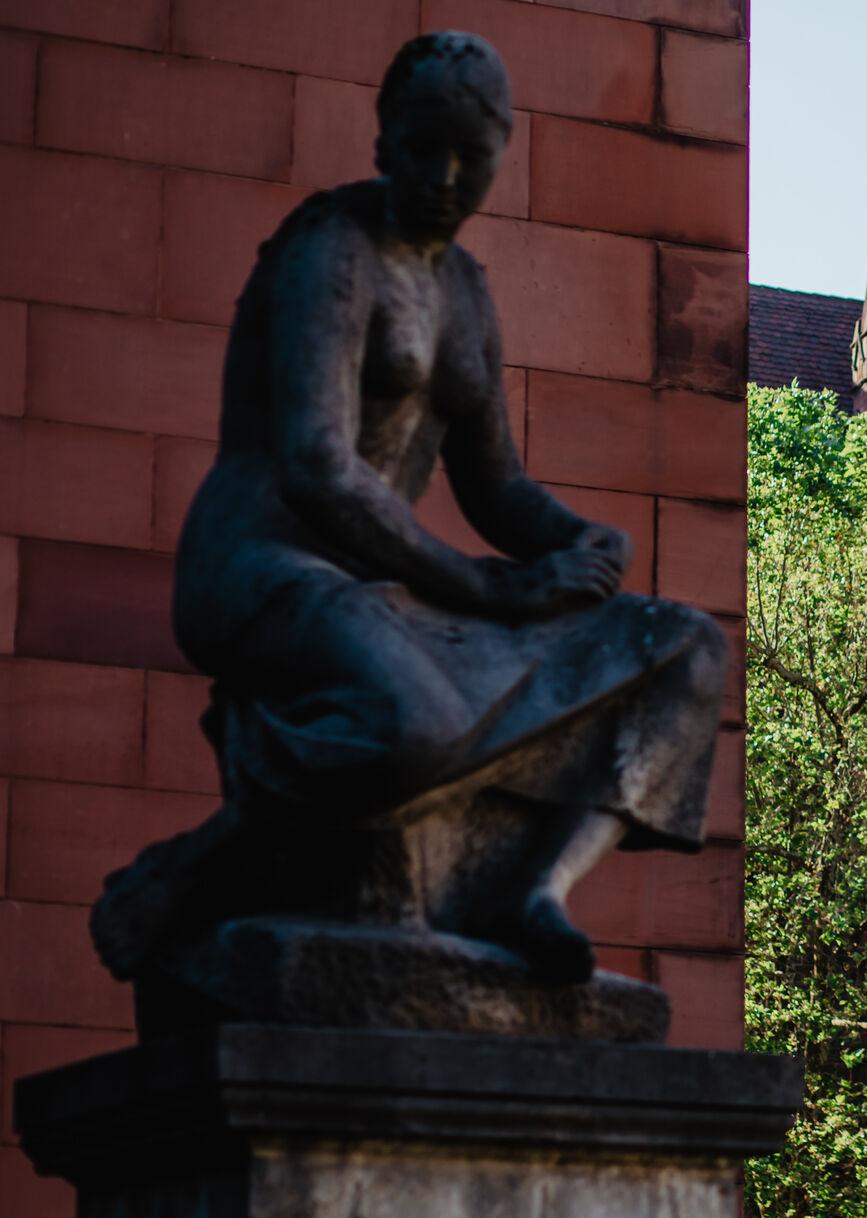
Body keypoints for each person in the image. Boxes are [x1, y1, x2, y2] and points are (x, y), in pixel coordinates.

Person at [92, 32, 724, 986]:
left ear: (503, 152)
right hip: (265, 566)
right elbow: (317, 467)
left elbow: (495, 485)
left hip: (384, 578)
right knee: (413, 726)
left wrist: (576, 543)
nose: (445, 176)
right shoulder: (332, 249)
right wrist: (487, 586)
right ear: (384, 139)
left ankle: (537, 892)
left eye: (473, 155)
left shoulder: (464, 289)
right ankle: (221, 856)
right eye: (425, 146)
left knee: (681, 647)